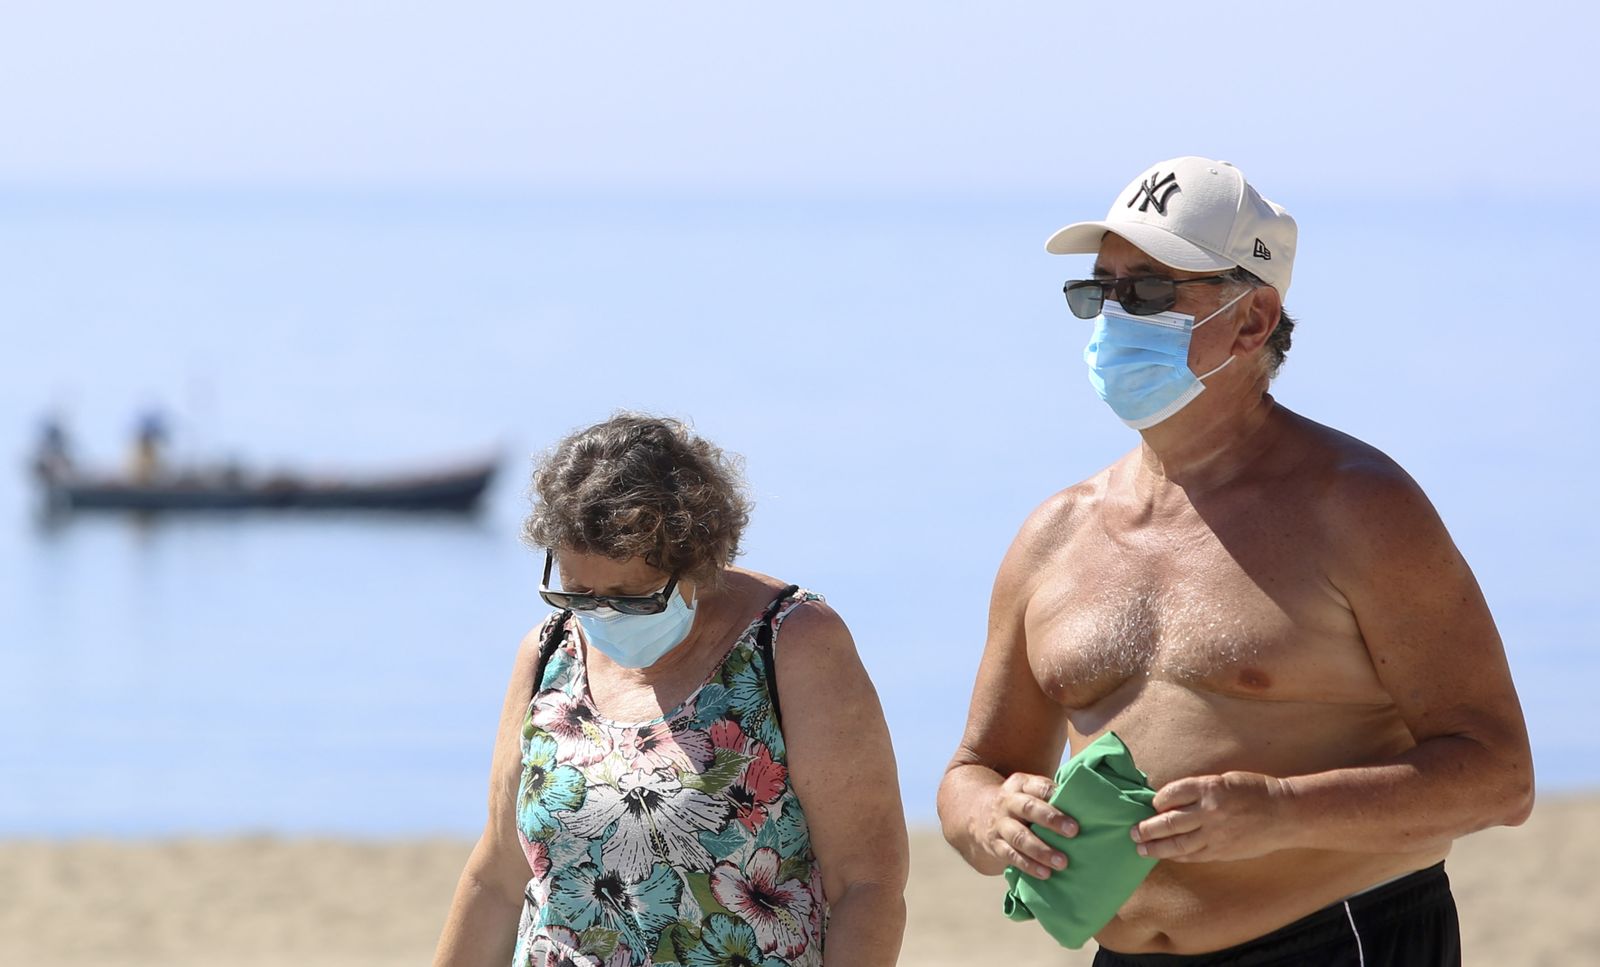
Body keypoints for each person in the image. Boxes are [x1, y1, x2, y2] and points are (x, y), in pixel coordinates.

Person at [936, 157, 1533, 965]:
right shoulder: (1055, 534)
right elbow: (976, 770)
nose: (1113, 318)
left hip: (1338, 937)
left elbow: (1499, 776)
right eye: (1098, 292)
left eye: (1146, 292)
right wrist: (989, 817)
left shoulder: (1357, 508)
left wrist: (1284, 810)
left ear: (1253, 320)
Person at [434, 414, 908, 967]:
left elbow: (867, 885)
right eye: (579, 592)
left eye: (632, 597)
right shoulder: (548, 652)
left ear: (699, 562)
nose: (602, 614)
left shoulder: (793, 644)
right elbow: (496, 877)